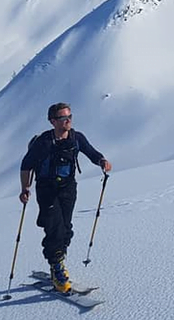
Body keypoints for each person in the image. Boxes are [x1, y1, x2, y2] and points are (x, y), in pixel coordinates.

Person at [19, 102, 112, 293]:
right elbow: (26, 165)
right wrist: (25, 188)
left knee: (66, 227)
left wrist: (102, 161)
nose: (68, 120)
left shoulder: (76, 138)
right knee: (54, 227)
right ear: (53, 121)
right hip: (47, 189)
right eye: (63, 118)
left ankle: (59, 260)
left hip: (68, 187)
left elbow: (91, 152)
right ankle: (57, 266)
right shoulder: (43, 142)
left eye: (69, 116)